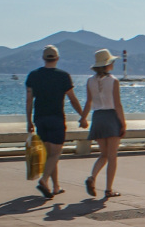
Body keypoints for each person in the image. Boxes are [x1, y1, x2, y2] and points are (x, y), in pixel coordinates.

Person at [25, 45, 86, 198]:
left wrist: (29, 121)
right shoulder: (63, 76)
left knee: (50, 154)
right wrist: (83, 115)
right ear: (57, 58)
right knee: (56, 153)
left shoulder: (33, 75)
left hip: (40, 118)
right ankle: (44, 180)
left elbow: (28, 101)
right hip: (56, 118)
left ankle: (56, 187)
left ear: (43, 58)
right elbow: (72, 99)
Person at [81, 49, 126, 198]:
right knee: (112, 156)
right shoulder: (113, 81)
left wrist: (83, 118)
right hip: (111, 117)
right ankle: (108, 189)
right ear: (107, 64)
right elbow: (117, 104)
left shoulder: (90, 81)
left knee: (103, 154)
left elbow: (88, 102)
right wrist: (123, 123)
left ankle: (92, 177)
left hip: (98, 117)